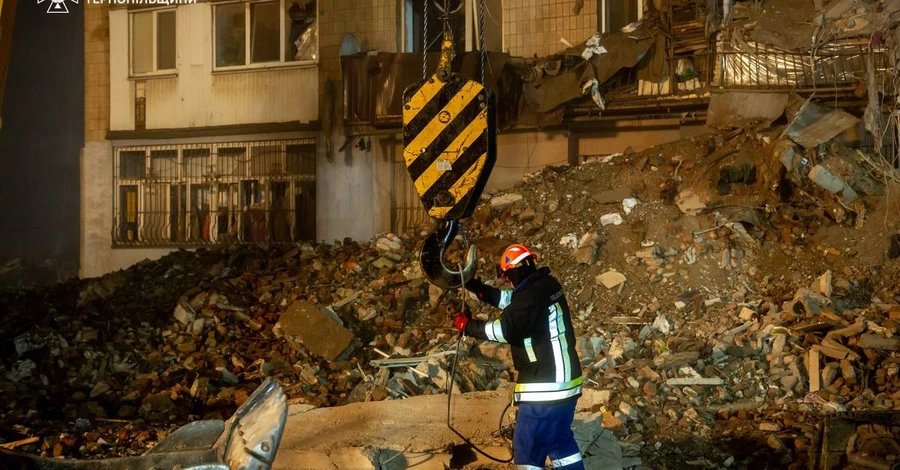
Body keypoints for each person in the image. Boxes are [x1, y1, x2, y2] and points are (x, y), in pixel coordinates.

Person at [453, 244, 585, 470]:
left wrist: (468, 326)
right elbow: (511, 300)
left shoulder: (530, 297)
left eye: (506, 276)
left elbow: (507, 330)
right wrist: (476, 287)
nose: (507, 282)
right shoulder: (545, 286)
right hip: (567, 386)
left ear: (512, 272)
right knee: (560, 443)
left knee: (527, 452)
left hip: (545, 390)